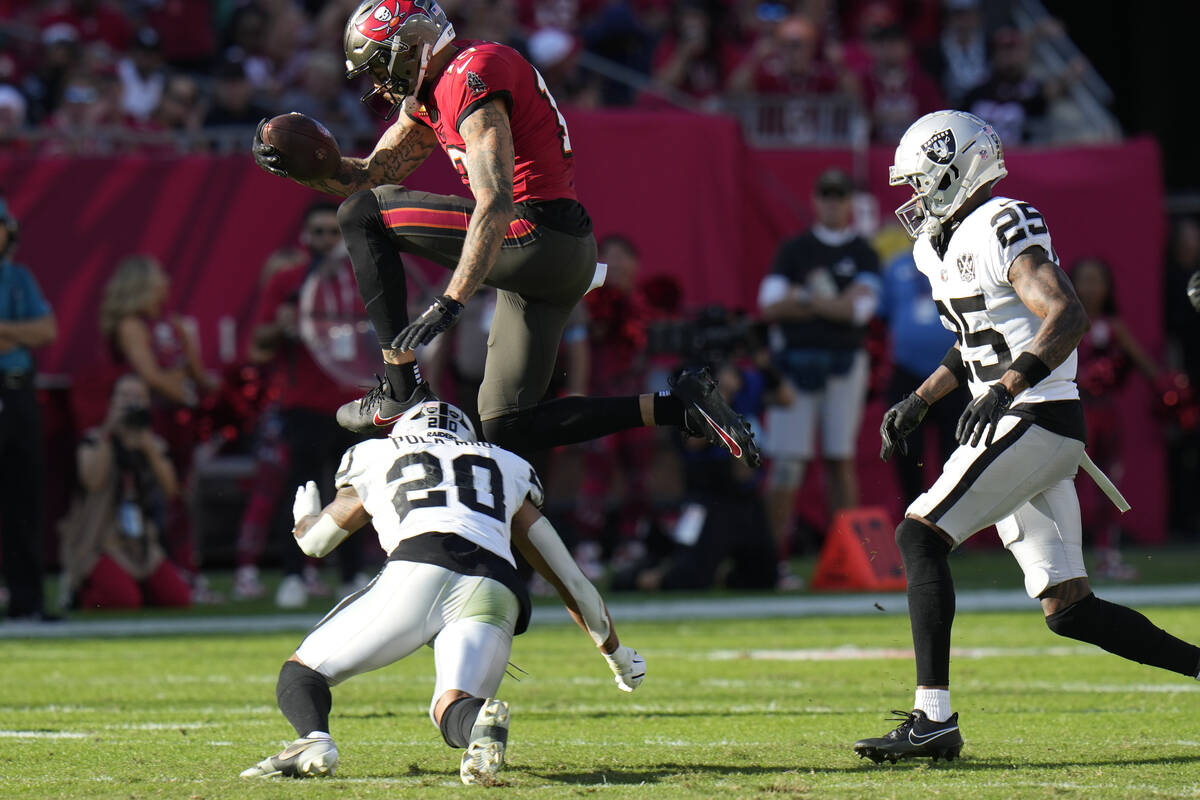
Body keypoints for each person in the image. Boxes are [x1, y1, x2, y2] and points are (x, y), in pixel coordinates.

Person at [251, 0, 759, 469]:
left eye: (382, 65)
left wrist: (451, 302)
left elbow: (494, 201)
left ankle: (400, 383)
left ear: (410, 49)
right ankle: (680, 406)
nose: (379, 84)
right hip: (558, 254)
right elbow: (366, 174)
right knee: (506, 425)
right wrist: (296, 167)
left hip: (537, 234)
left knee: (363, 214)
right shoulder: (436, 90)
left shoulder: (471, 73)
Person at [857, 110, 1200, 763]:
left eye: (922, 181)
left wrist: (1009, 387)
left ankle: (933, 719)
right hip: (1021, 415)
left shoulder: (1000, 222)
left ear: (957, 172)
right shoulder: (937, 245)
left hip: (1036, 414)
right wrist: (921, 399)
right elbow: (974, 340)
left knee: (917, 533)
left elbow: (1064, 313)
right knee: (1069, 607)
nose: (913, 198)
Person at [241, 401, 645, 785]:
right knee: (452, 705)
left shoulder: (377, 454)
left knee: (303, 672)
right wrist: (616, 654)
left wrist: (303, 519)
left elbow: (316, 543)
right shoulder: (504, 465)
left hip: (418, 569)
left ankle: (313, 739)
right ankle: (479, 727)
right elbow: (570, 579)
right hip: (495, 586)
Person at [237, 202, 372, 606]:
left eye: (334, 233)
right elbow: (257, 348)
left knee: (356, 491)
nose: (326, 241)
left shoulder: (362, 278)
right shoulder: (288, 281)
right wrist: (281, 326)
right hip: (304, 402)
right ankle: (295, 574)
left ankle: (352, 574)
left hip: (355, 403)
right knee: (301, 490)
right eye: (318, 232)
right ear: (304, 237)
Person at [757, 167, 881, 568]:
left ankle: (852, 558)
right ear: (815, 200)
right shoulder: (793, 250)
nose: (832, 202)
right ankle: (772, 557)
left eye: (839, 195)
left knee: (838, 458)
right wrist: (832, 302)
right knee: (789, 461)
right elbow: (771, 305)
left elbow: (860, 312)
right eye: (826, 195)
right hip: (795, 366)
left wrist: (805, 297)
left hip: (844, 365)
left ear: (849, 202)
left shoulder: (863, 251)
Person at [58, 373, 192, 610]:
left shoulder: (152, 444)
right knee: (123, 601)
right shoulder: (93, 441)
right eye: (124, 396)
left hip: (139, 543)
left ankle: (134, 586)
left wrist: (147, 444)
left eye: (138, 397)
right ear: (112, 402)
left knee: (177, 598)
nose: (131, 403)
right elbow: (92, 480)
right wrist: (109, 431)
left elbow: (171, 490)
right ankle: (78, 593)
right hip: (100, 541)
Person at [1069, 257, 1161, 579]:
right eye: (1085, 280)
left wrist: (1170, 389)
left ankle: (1108, 555)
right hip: (1074, 416)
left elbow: (1149, 368)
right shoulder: (1064, 323)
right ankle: (1066, 558)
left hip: (1107, 415)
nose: (1091, 288)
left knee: (1108, 485)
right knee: (1070, 488)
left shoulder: (1114, 327)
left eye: (1098, 281)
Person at [0, 198, 57, 621]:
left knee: (24, 499)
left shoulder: (17, 278)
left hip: (16, 392)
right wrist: (19, 334)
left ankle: (28, 600)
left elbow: (46, 330)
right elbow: (32, 332)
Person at [877, 247, 968, 507]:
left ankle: (949, 520)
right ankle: (915, 514)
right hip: (906, 370)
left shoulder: (960, 260)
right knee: (906, 446)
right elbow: (882, 316)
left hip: (956, 371)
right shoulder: (896, 266)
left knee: (955, 450)